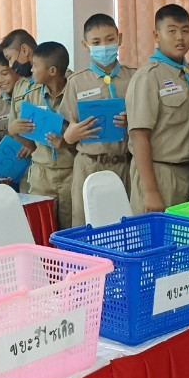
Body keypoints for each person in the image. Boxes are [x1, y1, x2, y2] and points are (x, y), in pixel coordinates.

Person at [125, 4, 189, 213]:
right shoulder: (149, 77)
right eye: (172, 31)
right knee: (159, 242)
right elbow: (139, 136)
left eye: (185, 30)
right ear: (157, 35)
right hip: (161, 174)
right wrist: (151, 192)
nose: (180, 37)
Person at [56, 13, 135, 225]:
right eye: (96, 42)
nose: (104, 46)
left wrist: (132, 121)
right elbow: (65, 133)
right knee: (88, 228)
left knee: (127, 228)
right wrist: (71, 135)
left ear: (120, 38)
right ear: (85, 44)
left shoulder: (135, 78)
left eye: (110, 39)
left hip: (126, 165)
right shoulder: (76, 82)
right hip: (89, 166)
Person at [9, 41, 77, 228]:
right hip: (41, 175)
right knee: (41, 231)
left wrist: (65, 142)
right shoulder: (31, 96)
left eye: (36, 66)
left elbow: (86, 138)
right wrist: (14, 130)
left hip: (71, 174)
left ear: (53, 71)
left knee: (71, 231)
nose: (31, 70)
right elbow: (29, 144)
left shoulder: (75, 94)